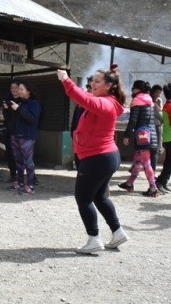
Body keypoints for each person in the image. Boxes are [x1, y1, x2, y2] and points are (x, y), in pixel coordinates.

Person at [57, 65, 129, 254]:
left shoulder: (105, 103)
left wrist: (66, 80)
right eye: (92, 81)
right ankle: (118, 232)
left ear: (109, 86)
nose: (92, 84)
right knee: (99, 196)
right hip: (104, 157)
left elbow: (83, 98)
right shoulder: (106, 101)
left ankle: (94, 238)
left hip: (97, 157)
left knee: (83, 198)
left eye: (97, 81)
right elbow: (86, 97)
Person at [118, 80, 160, 198]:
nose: (132, 90)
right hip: (150, 135)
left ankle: (153, 188)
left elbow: (133, 120)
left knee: (146, 163)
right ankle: (129, 183)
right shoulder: (149, 101)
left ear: (138, 89)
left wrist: (127, 135)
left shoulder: (137, 101)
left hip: (143, 137)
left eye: (133, 88)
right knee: (137, 160)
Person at [7, 80, 41, 194]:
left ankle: (30, 185)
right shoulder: (19, 102)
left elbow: (32, 119)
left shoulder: (34, 103)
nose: (19, 91)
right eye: (18, 89)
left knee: (28, 162)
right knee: (18, 161)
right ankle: (20, 183)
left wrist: (18, 109)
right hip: (16, 135)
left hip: (27, 136)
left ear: (28, 91)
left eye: (21, 89)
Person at [70, 76, 92, 172]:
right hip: (79, 141)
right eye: (88, 87)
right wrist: (74, 136)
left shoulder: (99, 105)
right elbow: (74, 123)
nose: (88, 90)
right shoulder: (80, 105)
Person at [1, 81, 20, 181]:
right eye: (12, 88)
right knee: (10, 153)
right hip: (9, 130)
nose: (14, 90)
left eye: (16, 87)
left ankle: (31, 177)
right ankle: (13, 174)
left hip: (20, 131)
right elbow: (6, 116)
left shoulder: (23, 101)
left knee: (23, 154)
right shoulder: (7, 100)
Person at [149, 84, 164, 172]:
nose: (158, 95)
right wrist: (160, 106)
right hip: (156, 127)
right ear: (152, 92)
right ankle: (152, 171)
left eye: (160, 93)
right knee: (156, 149)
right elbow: (160, 117)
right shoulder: (153, 103)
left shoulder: (151, 101)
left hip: (151, 127)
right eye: (157, 93)